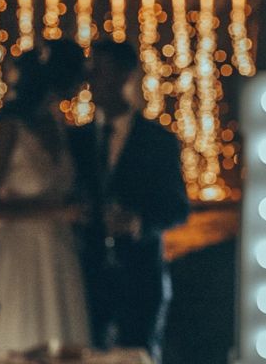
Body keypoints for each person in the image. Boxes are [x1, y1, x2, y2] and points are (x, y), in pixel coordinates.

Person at [0, 40, 91, 359]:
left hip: (58, 251)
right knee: (23, 348)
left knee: (66, 350)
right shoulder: (11, 128)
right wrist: (56, 210)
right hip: (20, 253)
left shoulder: (58, 125)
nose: (81, 85)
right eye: (77, 77)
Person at [67, 39, 190, 364]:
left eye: (101, 70)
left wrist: (138, 223)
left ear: (126, 75)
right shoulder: (75, 139)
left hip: (140, 275)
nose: (92, 79)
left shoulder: (158, 140)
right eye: (90, 71)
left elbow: (178, 208)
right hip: (87, 275)